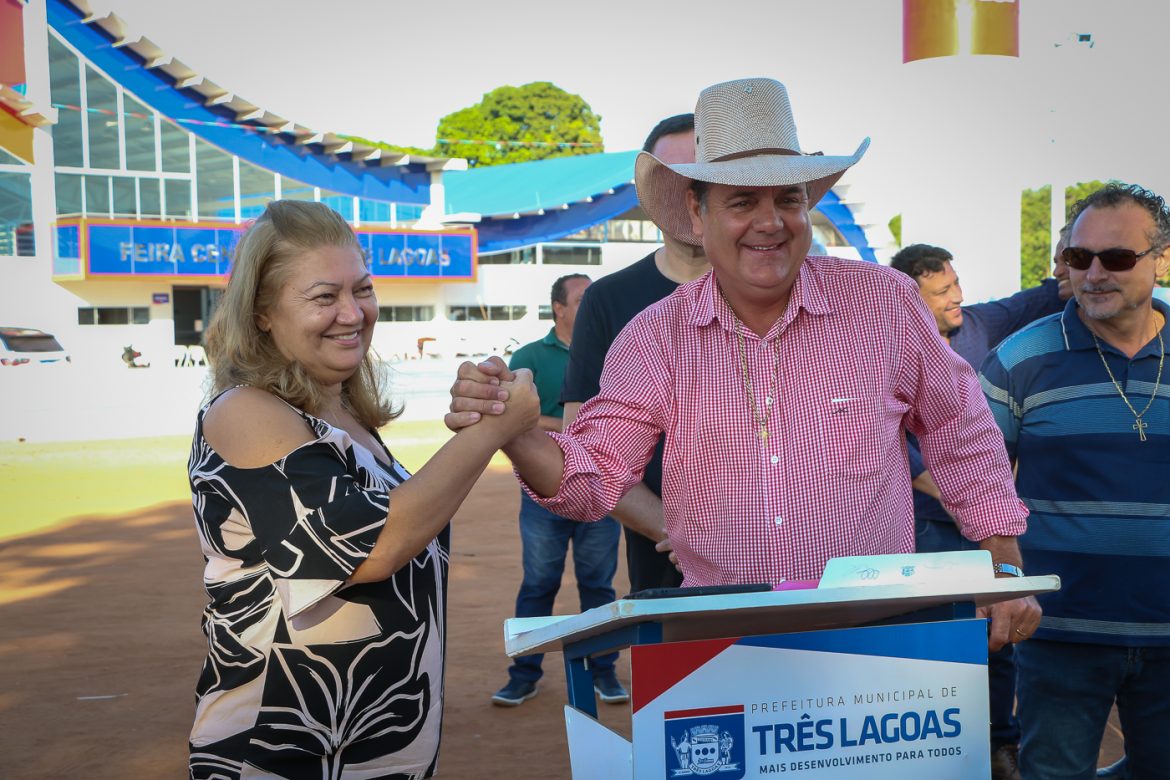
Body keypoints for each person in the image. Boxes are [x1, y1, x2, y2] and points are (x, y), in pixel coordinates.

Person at [449, 77, 1039, 653]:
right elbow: (595, 477)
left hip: (874, 639)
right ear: (698, 215)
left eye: (788, 199)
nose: (770, 221)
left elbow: (958, 427)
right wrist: (517, 430)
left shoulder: (882, 302)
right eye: (741, 201)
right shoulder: (657, 336)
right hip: (720, 646)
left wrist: (1003, 566)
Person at [187, 200, 537, 778]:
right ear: (262, 313)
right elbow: (371, 549)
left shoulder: (340, 413)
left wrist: (482, 417)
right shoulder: (246, 411)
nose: (353, 313)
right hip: (281, 750)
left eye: (363, 290)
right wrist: (494, 430)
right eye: (324, 297)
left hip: (366, 743)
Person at [981, 183, 1170, 779]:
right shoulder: (1020, 358)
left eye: (1115, 258)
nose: (1092, 274)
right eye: (1077, 257)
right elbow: (973, 480)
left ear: (1162, 260)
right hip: (1061, 633)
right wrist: (1002, 581)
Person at [890, 241, 1069, 780]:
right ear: (910, 298)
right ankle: (934, 748)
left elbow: (1033, 300)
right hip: (929, 530)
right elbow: (912, 452)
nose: (958, 297)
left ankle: (1000, 743)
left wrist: (1071, 265)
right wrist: (976, 495)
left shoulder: (980, 324)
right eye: (943, 290)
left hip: (988, 530)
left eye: (957, 283)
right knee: (937, 637)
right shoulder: (892, 346)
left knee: (1001, 638)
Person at [561, 113, 706, 593]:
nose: (689, 190)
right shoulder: (607, 300)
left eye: (703, 173)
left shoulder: (774, 291)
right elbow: (580, 445)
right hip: (663, 563)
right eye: (672, 176)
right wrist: (672, 529)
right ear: (648, 193)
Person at [491, 274, 628, 707]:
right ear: (559, 308)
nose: (592, 306)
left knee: (598, 585)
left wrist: (547, 422)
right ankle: (524, 675)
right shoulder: (529, 356)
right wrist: (569, 425)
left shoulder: (616, 352)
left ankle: (604, 672)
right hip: (541, 493)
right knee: (538, 584)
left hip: (599, 490)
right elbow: (513, 420)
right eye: (582, 299)